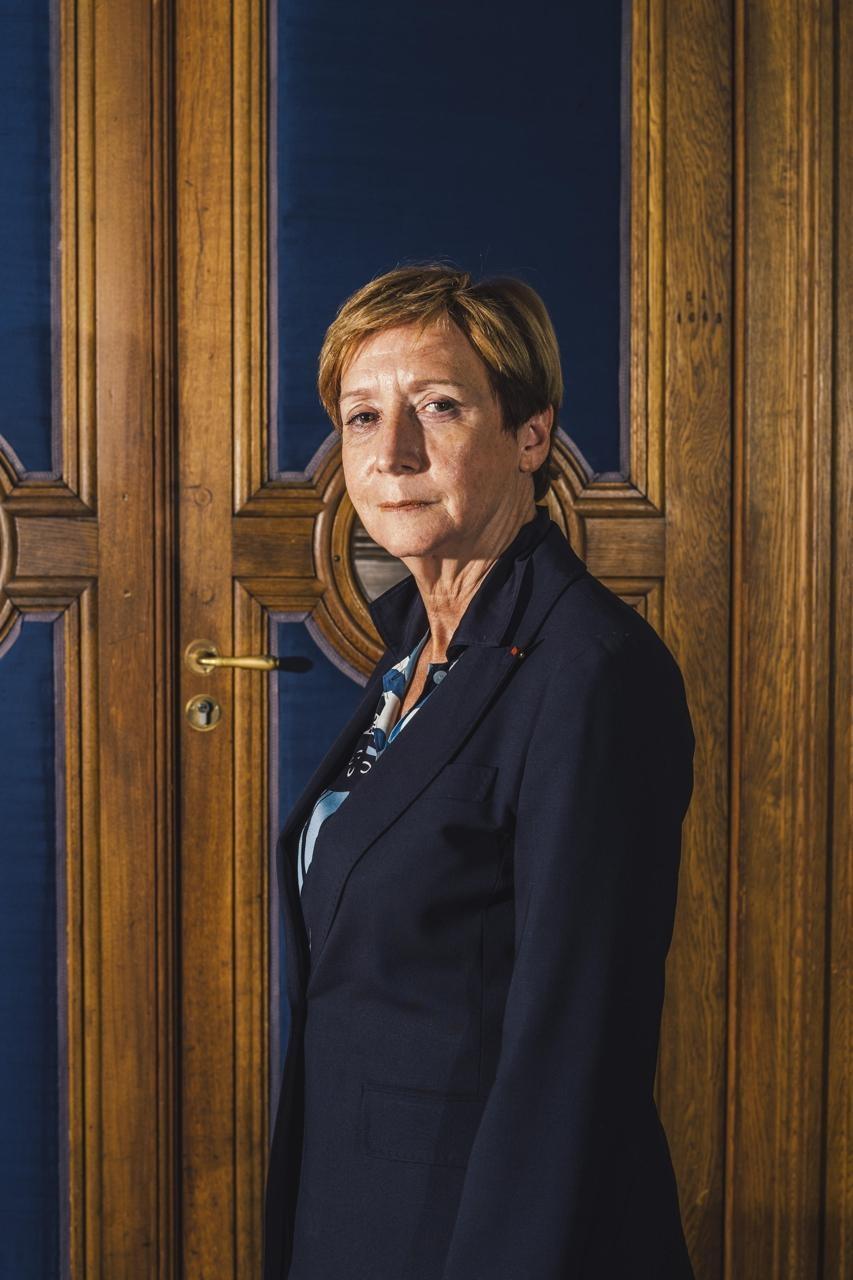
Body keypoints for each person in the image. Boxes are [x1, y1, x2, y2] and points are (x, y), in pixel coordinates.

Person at [263, 263, 696, 1279]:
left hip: (483, 1229)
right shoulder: (415, 646)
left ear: (529, 434)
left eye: (439, 407)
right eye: (362, 417)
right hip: (361, 1207)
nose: (392, 451)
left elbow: (571, 1051)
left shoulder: (590, 672)